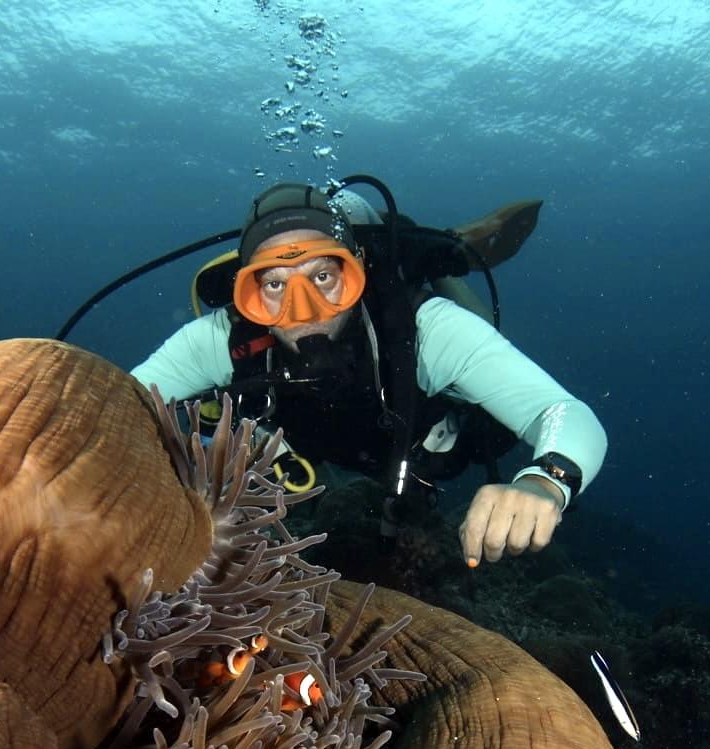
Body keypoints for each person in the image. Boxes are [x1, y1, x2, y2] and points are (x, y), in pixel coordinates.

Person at [130, 182, 606, 568]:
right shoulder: (223, 338)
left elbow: (560, 411)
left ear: (355, 273)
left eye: (323, 276)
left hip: (436, 436)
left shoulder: (426, 327)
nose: (304, 312)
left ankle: (446, 260)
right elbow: (118, 402)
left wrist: (544, 481)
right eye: (275, 283)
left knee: (484, 437)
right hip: (339, 441)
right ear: (248, 290)